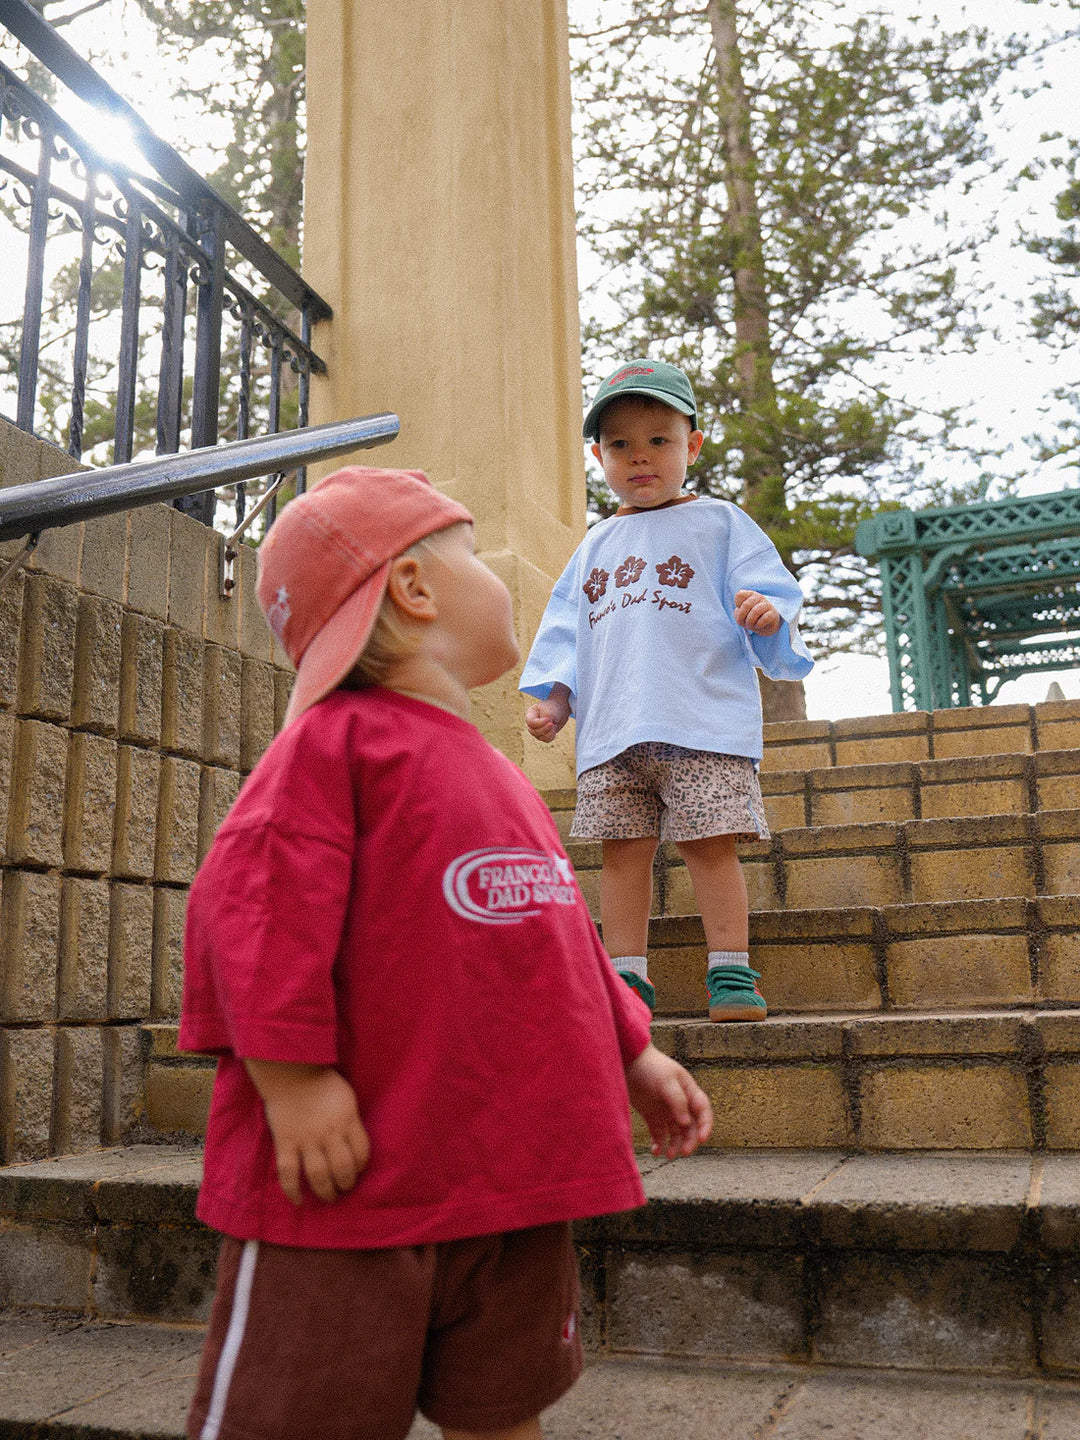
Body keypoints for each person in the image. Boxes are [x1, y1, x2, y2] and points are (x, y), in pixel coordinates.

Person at [179, 465, 713, 1440]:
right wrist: (292, 1082)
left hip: (509, 1180)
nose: (503, 578)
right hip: (352, 1192)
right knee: (301, 1411)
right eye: (472, 552)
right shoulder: (333, 750)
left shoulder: (497, 773)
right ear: (416, 590)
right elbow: (248, 910)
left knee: (503, 1406)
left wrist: (632, 1050)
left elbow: (562, 941)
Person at [521, 360, 813, 1022]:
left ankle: (731, 973)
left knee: (710, 843)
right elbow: (568, 630)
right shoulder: (596, 544)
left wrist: (766, 612)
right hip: (613, 731)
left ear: (693, 445)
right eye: (620, 445)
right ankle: (626, 983)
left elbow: (768, 585)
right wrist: (557, 700)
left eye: (659, 439)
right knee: (622, 855)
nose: (640, 457)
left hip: (699, 719)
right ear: (598, 456)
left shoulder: (719, 523)